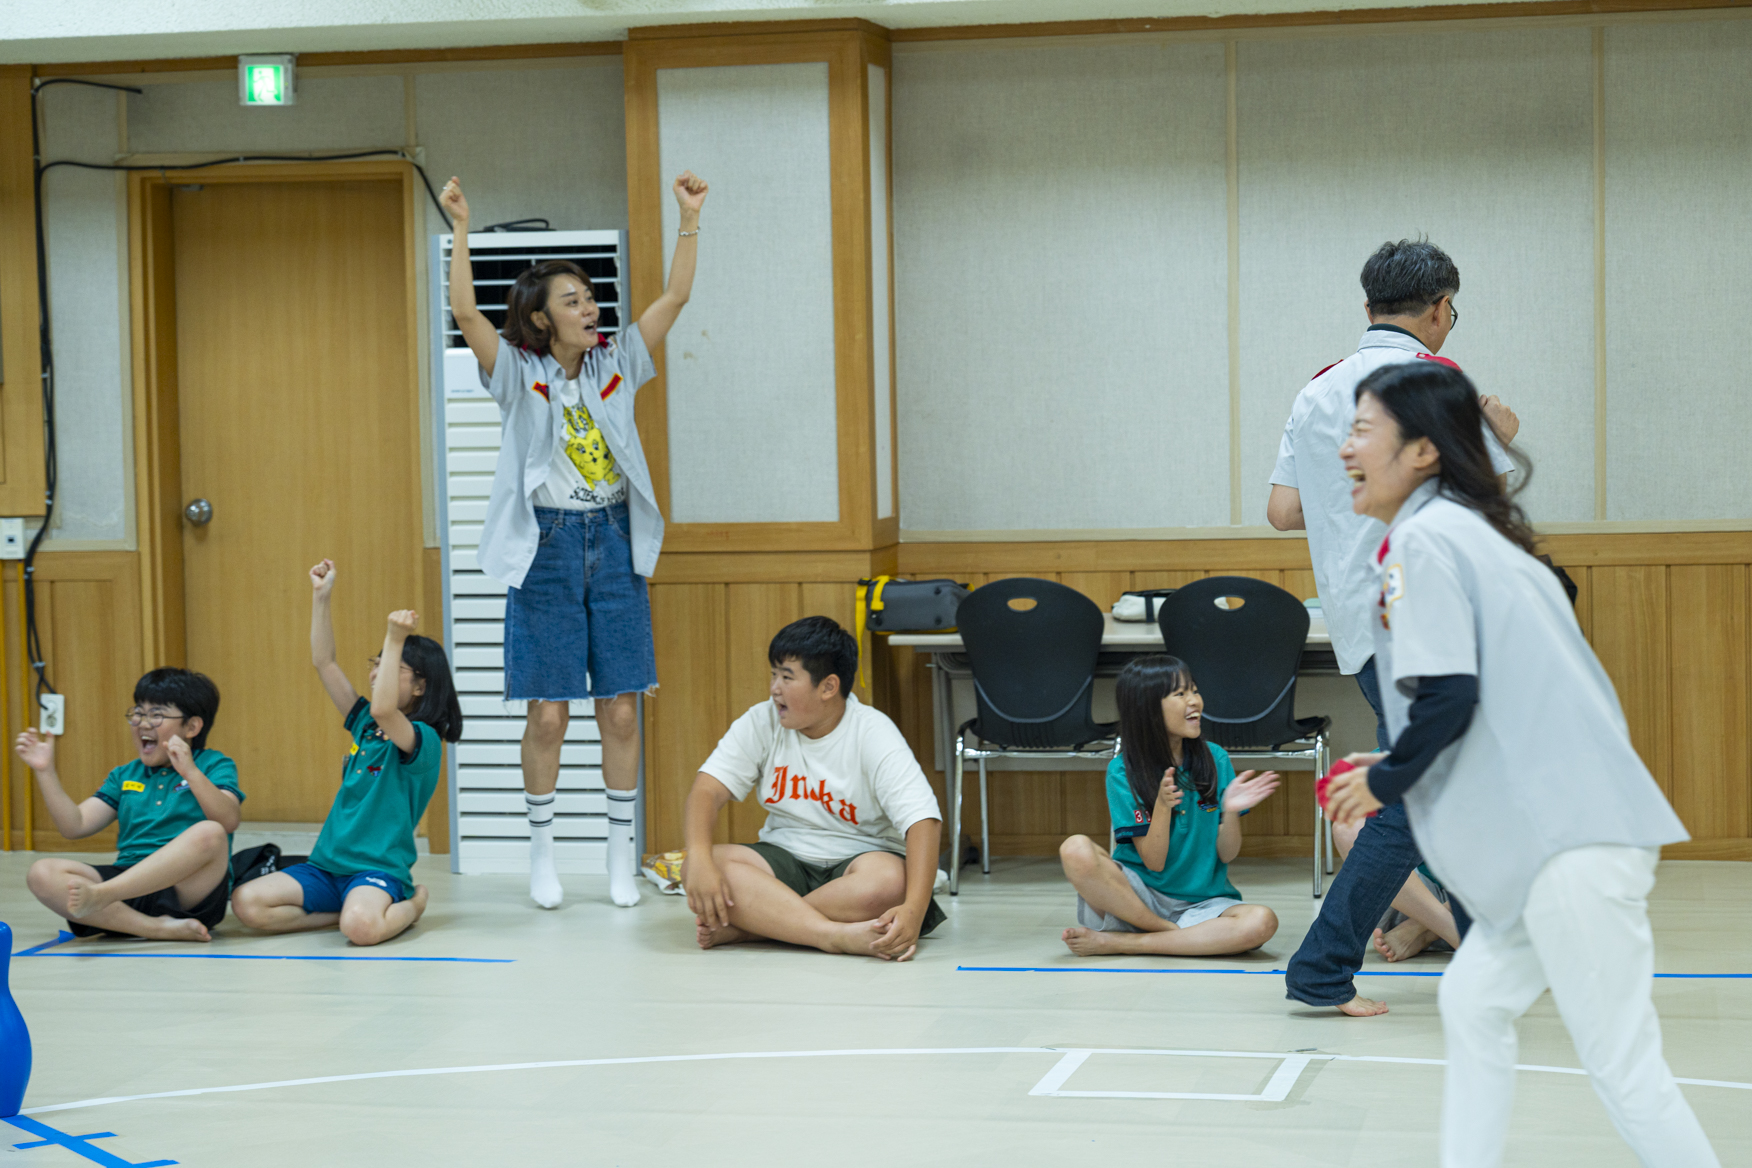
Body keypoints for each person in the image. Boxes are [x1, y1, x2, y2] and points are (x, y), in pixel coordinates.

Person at [1323, 361, 1716, 1167]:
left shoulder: (1426, 541)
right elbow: (1485, 701)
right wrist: (1394, 762)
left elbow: (1451, 695)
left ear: (1423, 451)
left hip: (1569, 851)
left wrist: (1383, 780)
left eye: (1361, 429)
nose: (1344, 448)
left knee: (1626, 1072)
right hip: (1561, 845)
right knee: (1474, 1003)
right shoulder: (1467, 533)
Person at [439, 171, 706, 911]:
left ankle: (620, 859)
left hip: (613, 541)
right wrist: (461, 229)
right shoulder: (515, 372)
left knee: (619, 710)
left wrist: (688, 217)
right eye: (572, 300)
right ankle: (543, 856)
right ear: (540, 319)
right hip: (547, 549)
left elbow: (675, 297)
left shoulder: (617, 361)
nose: (589, 307)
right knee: (549, 714)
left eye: (590, 297)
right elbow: (464, 311)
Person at [1270, 239, 1517, 1016]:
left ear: (1368, 306)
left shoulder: (1317, 391)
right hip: (1428, 616)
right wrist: (1502, 432)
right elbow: (1487, 499)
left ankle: (1487, 955)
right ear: (1440, 308)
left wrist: (1343, 496)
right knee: (1417, 795)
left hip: (1360, 622)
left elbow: (1282, 511)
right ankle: (1322, 968)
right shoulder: (1437, 383)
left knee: (1448, 789)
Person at [681, 617, 944, 961]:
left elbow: (923, 820)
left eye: (787, 677)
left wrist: (913, 909)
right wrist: (700, 858)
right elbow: (706, 791)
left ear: (828, 687)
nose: (774, 689)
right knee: (700, 863)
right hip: (784, 858)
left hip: (860, 862)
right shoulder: (762, 720)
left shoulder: (872, 731)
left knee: (891, 882)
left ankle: (757, 927)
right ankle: (833, 936)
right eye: (774, 675)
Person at [231, 560, 462, 947]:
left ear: (420, 686)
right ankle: (343, 914)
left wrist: (395, 638)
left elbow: (384, 709)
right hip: (326, 866)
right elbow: (324, 662)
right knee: (247, 903)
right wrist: (321, 597)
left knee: (361, 931)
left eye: (389, 667)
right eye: (375, 664)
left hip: (376, 869)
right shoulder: (365, 724)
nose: (375, 673)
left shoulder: (422, 738)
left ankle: (411, 904)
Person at [1059, 656, 1281, 957]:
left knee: (1261, 922)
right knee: (1074, 848)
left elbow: (1227, 854)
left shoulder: (1215, 758)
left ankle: (1124, 942)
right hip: (1136, 900)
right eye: (1180, 694)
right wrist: (1163, 807)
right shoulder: (1123, 770)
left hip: (1202, 903)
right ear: (1148, 709)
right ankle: (1170, 934)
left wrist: (1230, 811)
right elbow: (1154, 862)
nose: (1194, 701)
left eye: (1194, 691)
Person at [19, 668, 240, 942]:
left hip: (188, 888)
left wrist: (190, 772)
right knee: (42, 873)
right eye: (138, 713)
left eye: (156, 714)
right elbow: (74, 826)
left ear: (192, 727)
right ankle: (152, 928)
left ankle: (104, 896)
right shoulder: (124, 775)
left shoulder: (214, 764)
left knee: (211, 832)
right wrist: (45, 772)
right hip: (129, 881)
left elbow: (228, 820)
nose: (143, 723)